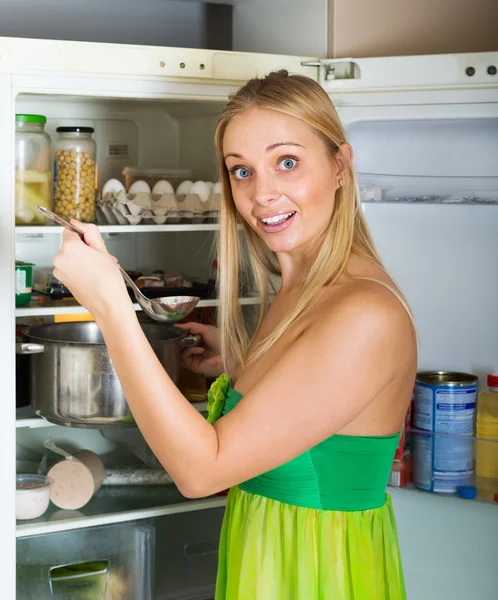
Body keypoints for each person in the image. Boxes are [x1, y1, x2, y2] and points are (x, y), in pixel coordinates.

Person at [53, 70, 417, 599]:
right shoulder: (301, 290)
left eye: (286, 162)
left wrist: (112, 307)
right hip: (269, 564)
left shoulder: (365, 314)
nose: (262, 193)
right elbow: (313, 408)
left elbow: (203, 472)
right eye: (241, 171)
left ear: (340, 164)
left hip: (317, 575)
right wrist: (242, 366)